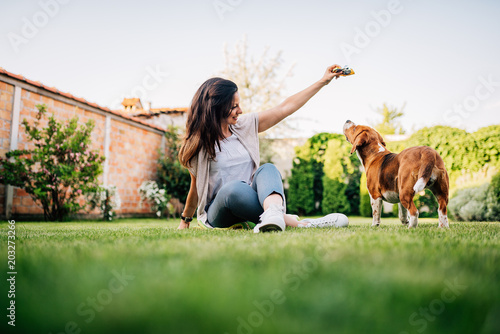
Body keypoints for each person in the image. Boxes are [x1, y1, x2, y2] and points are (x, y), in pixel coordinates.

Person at [177, 64, 350, 232]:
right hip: (220, 211)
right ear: (216, 108)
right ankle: (301, 224)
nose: (240, 110)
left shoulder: (243, 126)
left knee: (267, 169)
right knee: (233, 188)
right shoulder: (199, 144)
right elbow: (195, 187)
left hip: (251, 203)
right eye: (234, 106)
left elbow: (284, 108)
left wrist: (322, 81)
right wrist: (186, 220)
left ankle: (273, 216)